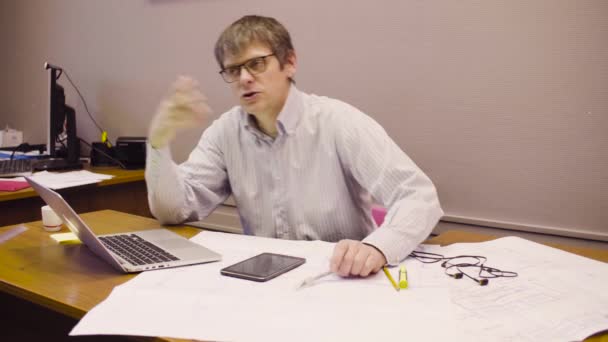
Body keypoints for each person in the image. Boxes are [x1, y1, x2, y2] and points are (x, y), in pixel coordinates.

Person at [145, 15, 443, 278]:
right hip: (264, 281)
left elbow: (419, 197)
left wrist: (378, 247)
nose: (245, 78)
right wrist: (158, 143)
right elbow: (175, 211)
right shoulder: (225, 132)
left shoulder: (338, 121)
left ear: (289, 63)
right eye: (233, 70)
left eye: (256, 64)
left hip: (338, 279)